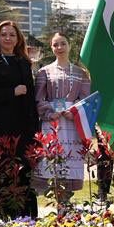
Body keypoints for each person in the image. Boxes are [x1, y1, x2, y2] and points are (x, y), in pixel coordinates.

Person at [0, 19, 40, 220]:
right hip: (2, 126)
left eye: (12, 34)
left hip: (25, 127)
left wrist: (34, 127)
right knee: (5, 170)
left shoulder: (23, 61)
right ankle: (7, 215)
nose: (8, 38)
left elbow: (30, 95)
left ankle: (27, 215)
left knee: (25, 170)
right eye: (4, 34)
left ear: (18, 38)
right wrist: (11, 92)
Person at [32, 32, 90, 211]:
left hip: (72, 123)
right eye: (55, 44)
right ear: (51, 47)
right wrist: (49, 113)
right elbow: (38, 98)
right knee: (52, 161)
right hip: (52, 123)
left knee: (70, 162)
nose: (59, 48)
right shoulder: (44, 72)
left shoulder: (81, 73)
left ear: (69, 45)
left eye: (63, 44)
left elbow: (86, 100)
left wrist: (75, 112)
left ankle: (66, 204)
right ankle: (58, 203)